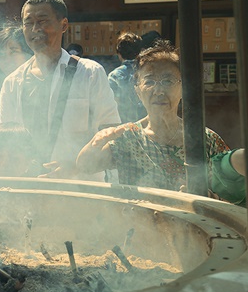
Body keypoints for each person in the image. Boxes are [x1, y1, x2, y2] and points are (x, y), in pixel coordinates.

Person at [76, 40, 229, 192]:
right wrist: (96, 143)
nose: (158, 91)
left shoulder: (205, 140)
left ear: (183, 88)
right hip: (137, 216)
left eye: (168, 81)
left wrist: (209, 198)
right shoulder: (128, 137)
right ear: (138, 91)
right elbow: (85, 166)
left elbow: (235, 192)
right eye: (149, 81)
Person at [0, 0, 120, 180]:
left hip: (80, 187)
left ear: (63, 25)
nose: (34, 28)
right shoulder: (12, 83)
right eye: (28, 23)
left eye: (42, 21)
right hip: (29, 187)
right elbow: (5, 142)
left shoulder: (89, 73)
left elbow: (111, 134)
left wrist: (75, 166)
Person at [108, 32, 146, 123]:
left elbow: (110, 105)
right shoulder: (148, 73)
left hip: (123, 125)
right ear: (140, 52)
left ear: (119, 53)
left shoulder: (114, 76)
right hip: (147, 125)